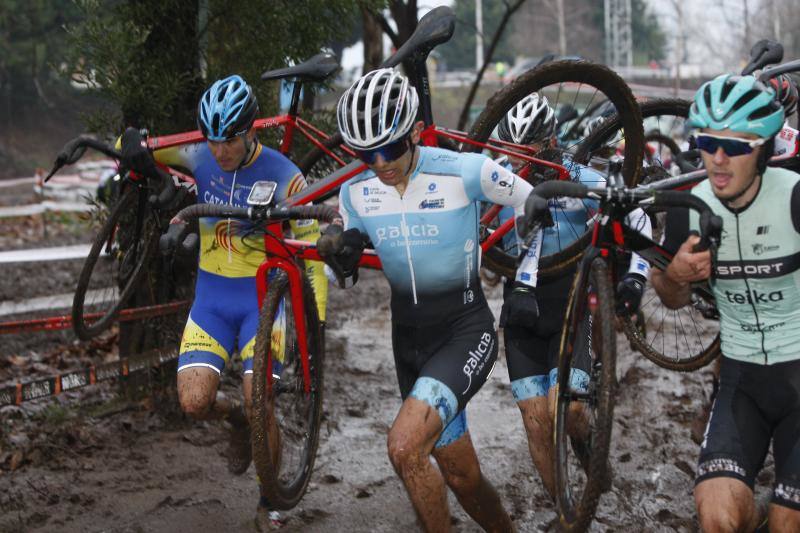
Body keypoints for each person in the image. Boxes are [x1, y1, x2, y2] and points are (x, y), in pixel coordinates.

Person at [318, 68, 527, 532]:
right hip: (408, 345)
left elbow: (537, 207)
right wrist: (342, 261)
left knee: (405, 447)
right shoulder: (356, 191)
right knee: (461, 476)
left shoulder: (465, 171)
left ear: (414, 132)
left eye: (390, 148)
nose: (380, 162)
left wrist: (525, 278)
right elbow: (341, 279)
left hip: (464, 332)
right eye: (365, 153)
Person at [120, 74, 327, 529]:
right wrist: (130, 140)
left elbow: (312, 252)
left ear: (252, 129)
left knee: (261, 401)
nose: (219, 151)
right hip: (212, 301)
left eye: (229, 140)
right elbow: (142, 147)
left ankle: (267, 501)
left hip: (262, 304)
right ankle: (236, 420)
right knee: (193, 403)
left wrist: (317, 321)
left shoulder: (283, 174)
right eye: (212, 140)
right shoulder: (200, 155)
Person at [651, 73, 800, 532]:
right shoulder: (689, 208)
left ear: (762, 149)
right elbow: (670, 298)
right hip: (741, 380)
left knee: (786, 522)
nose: (717, 158)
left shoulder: (793, 195)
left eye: (734, 147)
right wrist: (674, 276)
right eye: (708, 142)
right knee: (716, 519)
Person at [494, 93, 651, 499]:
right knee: (536, 422)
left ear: (549, 143)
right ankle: (567, 511)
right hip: (522, 306)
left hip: (570, 304)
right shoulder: (494, 178)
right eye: (507, 150)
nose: (514, 161)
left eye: (523, 152)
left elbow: (637, 215)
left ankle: (587, 452)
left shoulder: (579, 177)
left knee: (571, 411)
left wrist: (635, 278)